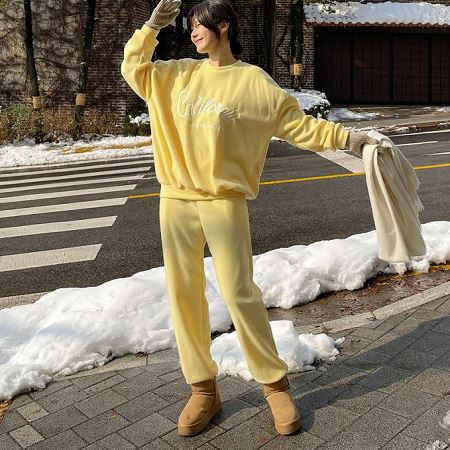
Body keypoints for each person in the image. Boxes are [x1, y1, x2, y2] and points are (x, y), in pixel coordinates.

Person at [121, 0, 375, 438]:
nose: (191, 31)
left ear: (222, 26)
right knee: (183, 295)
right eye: (187, 24)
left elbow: (297, 125)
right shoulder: (177, 74)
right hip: (175, 200)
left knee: (240, 293)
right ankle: (202, 388)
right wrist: (151, 26)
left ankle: (275, 385)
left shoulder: (250, 81)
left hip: (223, 201)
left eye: (198, 24)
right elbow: (133, 67)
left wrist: (350, 139)